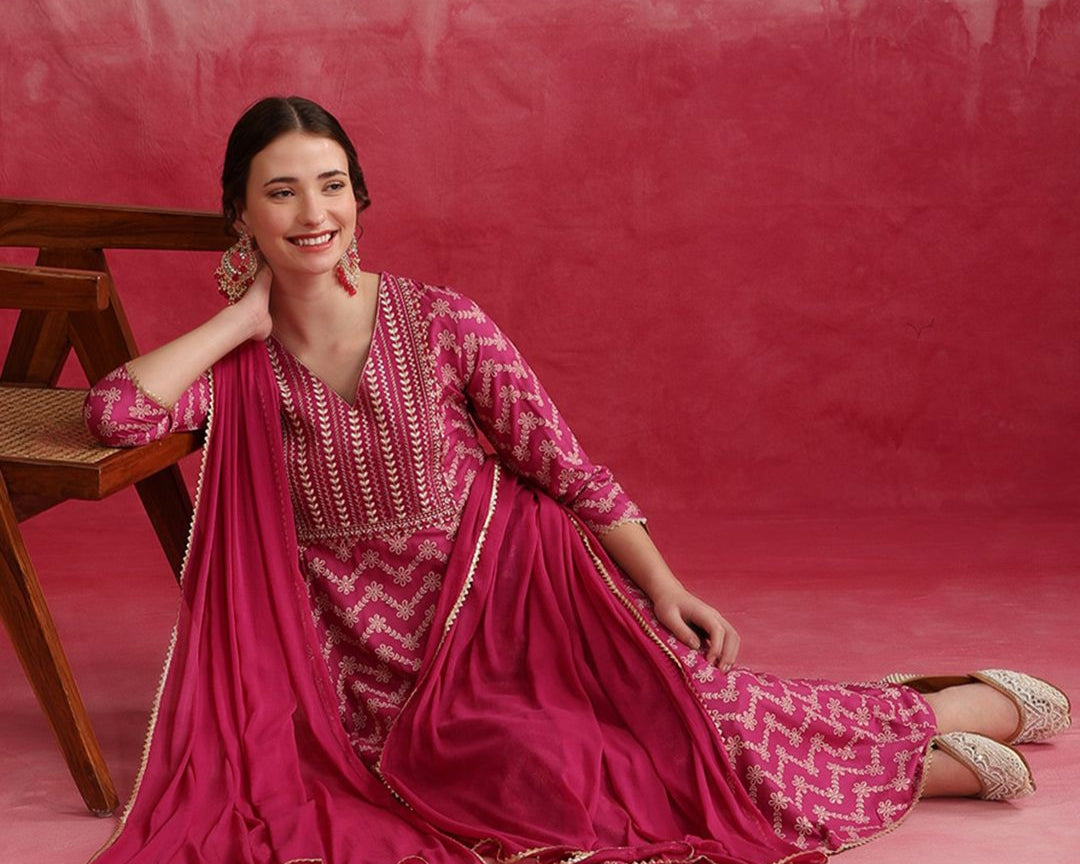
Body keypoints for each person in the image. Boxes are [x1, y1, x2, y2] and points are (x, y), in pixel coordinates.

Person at [82, 96, 1070, 864]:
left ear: (361, 200)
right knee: (548, 773)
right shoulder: (237, 372)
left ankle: (936, 716)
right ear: (241, 214)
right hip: (375, 676)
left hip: (521, 603)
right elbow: (116, 415)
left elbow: (563, 464)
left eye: (332, 186)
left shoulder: (440, 321)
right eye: (282, 192)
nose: (313, 214)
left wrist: (664, 585)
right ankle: (929, 757)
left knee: (682, 721)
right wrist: (238, 321)